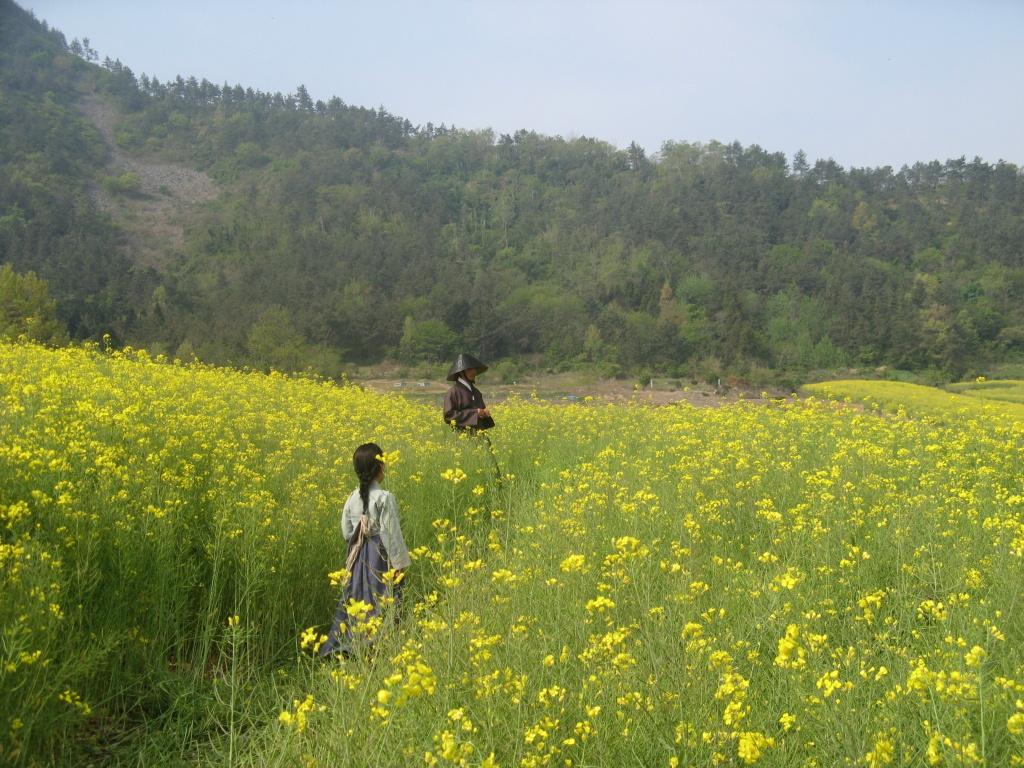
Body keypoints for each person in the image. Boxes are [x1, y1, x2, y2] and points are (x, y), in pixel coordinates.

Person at [319, 442, 410, 657]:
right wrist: (399, 564)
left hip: (359, 556)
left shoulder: (352, 497)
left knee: (358, 597)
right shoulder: (385, 497)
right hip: (380, 556)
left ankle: (350, 643)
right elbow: (391, 533)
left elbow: (347, 532)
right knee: (384, 598)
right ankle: (379, 646)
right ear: (380, 468)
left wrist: (360, 544)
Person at [443, 353, 495, 431]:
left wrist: (484, 413)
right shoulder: (453, 392)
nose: (474, 372)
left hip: (480, 435)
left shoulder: (476, 391)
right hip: (463, 436)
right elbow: (448, 416)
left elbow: (481, 412)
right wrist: (474, 413)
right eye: (470, 369)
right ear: (461, 372)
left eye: (474, 369)